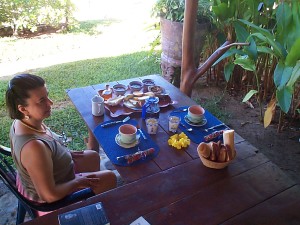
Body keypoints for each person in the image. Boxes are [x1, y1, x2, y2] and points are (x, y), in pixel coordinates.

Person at [5, 73, 117, 204]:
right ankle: (91, 206)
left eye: (47, 96)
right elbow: (50, 196)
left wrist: (64, 153)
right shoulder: (33, 147)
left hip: (53, 173)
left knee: (93, 156)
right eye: (42, 100)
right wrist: (78, 181)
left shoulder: (26, 121)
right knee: (110, 177)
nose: (50, 103)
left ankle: (91, 199)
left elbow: (48, 143)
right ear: (23, 109)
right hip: (50, 198)